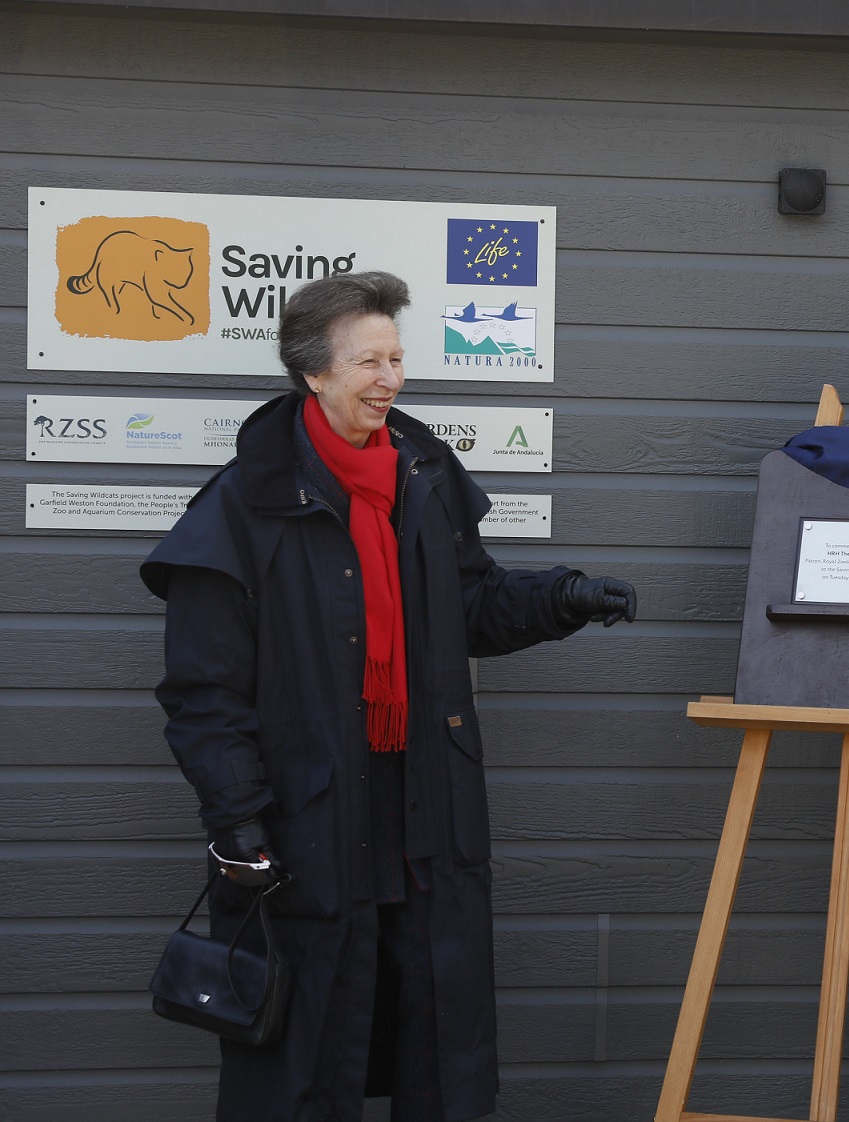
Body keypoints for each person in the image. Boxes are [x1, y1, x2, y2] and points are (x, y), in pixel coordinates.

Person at [141, 271, 636, 1122]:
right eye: (369, 361)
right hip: (305, 825)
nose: (391, 378)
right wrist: (239, 825)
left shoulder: (424, 476)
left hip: (421, 814)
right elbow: (203, 695)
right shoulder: (240, 507)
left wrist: (564, 598)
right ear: (314, 374)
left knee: (436, 1049)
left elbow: (470, 605)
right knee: (302, 1062)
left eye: (398, 358)